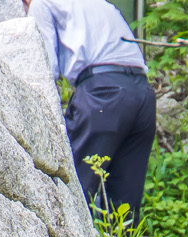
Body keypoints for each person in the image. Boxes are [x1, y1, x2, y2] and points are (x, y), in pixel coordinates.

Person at [23, 0, 156, 220]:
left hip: (103, 94)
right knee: (123, 204)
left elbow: (44, 68)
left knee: (71, 187)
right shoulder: (98, 3)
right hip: (142, 94)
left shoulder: (41, 3)